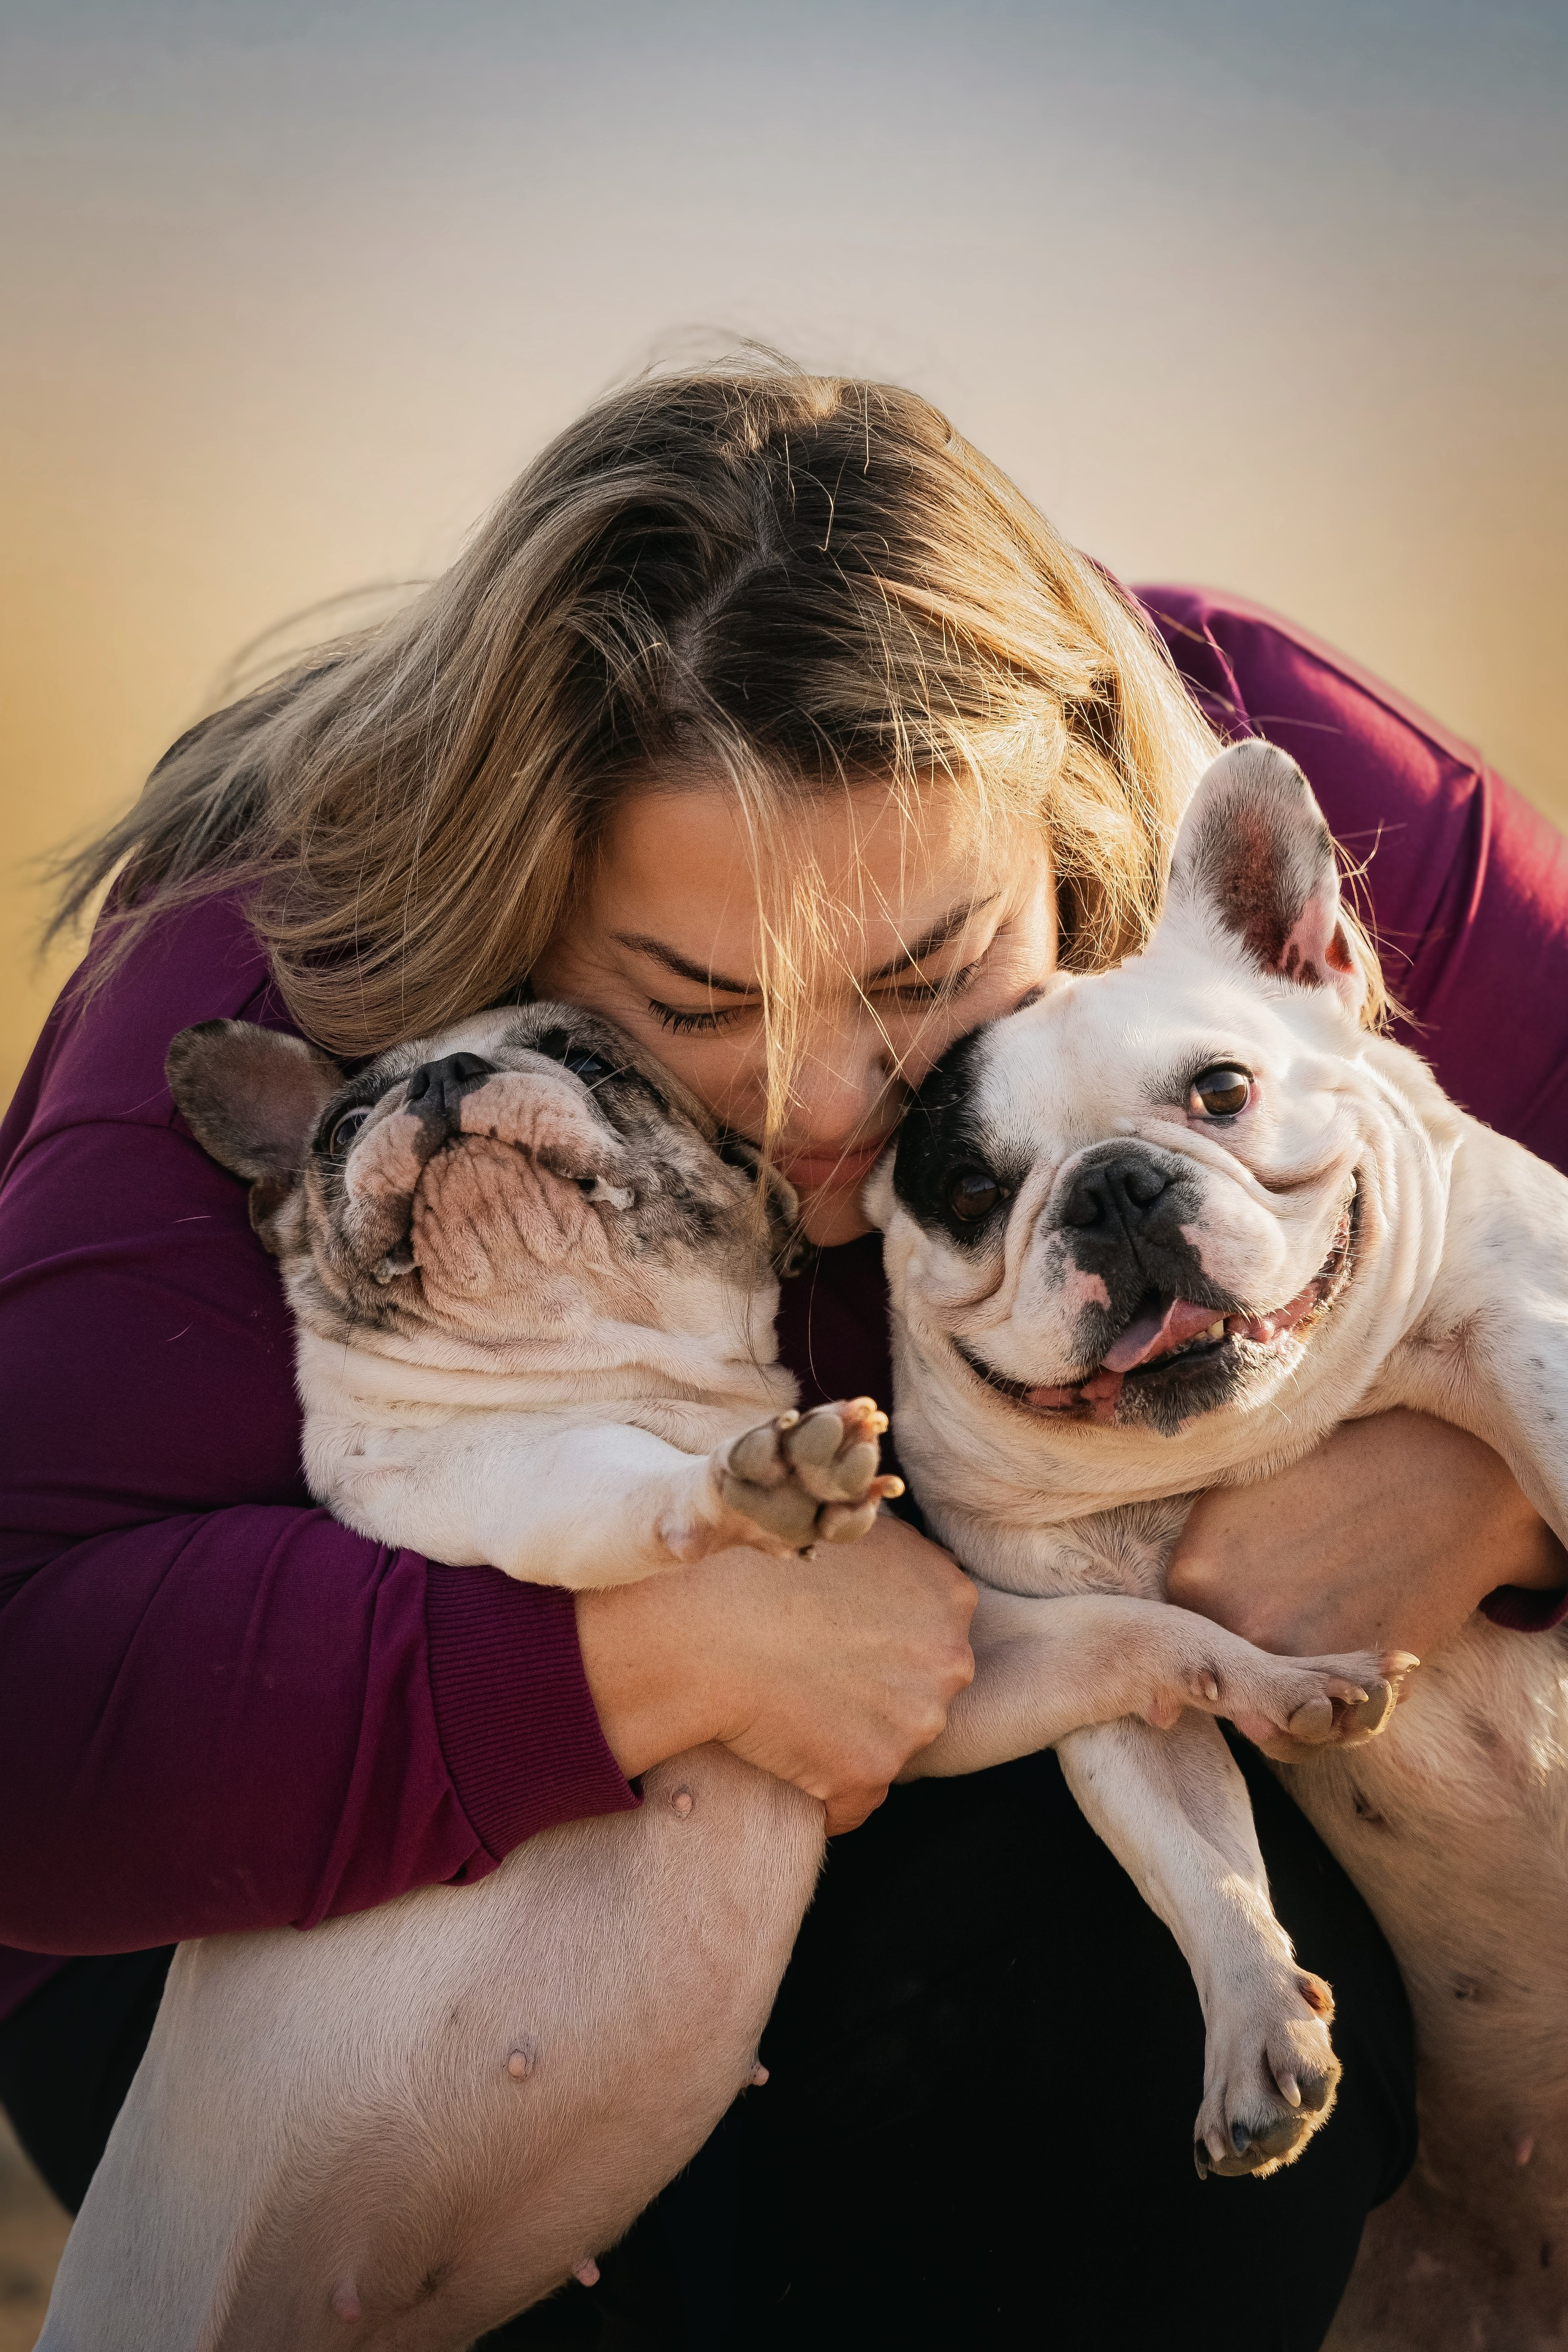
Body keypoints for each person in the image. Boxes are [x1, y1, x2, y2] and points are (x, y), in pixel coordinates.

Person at [2, 360, 1565, 2352]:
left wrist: (1474, 1469)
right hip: (319, 1926)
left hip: (1028, 1781)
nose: (825, 1099)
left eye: (924, 975)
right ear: (517, 880)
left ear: (1086, 797)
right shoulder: (287, 959)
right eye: (694, 1001)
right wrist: (654, 1654)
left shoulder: (1284, 794)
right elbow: (33, 1707)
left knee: (1154, 1957)